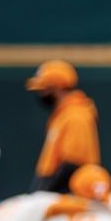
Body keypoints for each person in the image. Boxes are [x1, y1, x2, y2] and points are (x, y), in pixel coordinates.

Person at [26, 60, 99, 193]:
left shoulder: (76, 115)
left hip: (67, 196)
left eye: (44, 89)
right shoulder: (63, 115)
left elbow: (73, 164)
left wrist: (45, 192)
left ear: (57, 88)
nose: (40, 93)